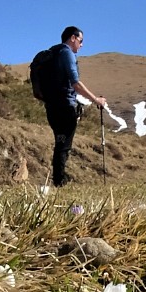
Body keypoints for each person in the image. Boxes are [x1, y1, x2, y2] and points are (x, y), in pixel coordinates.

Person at [43, 26, 107, 187]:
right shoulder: (66, 53)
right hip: (65, 107)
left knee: (60, 142)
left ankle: (59, 178)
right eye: (80, 40)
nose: (82, 45)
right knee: (64, 146)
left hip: (52, 106)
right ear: (72, 38)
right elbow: (75, 83)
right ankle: (60, 181)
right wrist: (95, 100)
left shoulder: (54, 53)